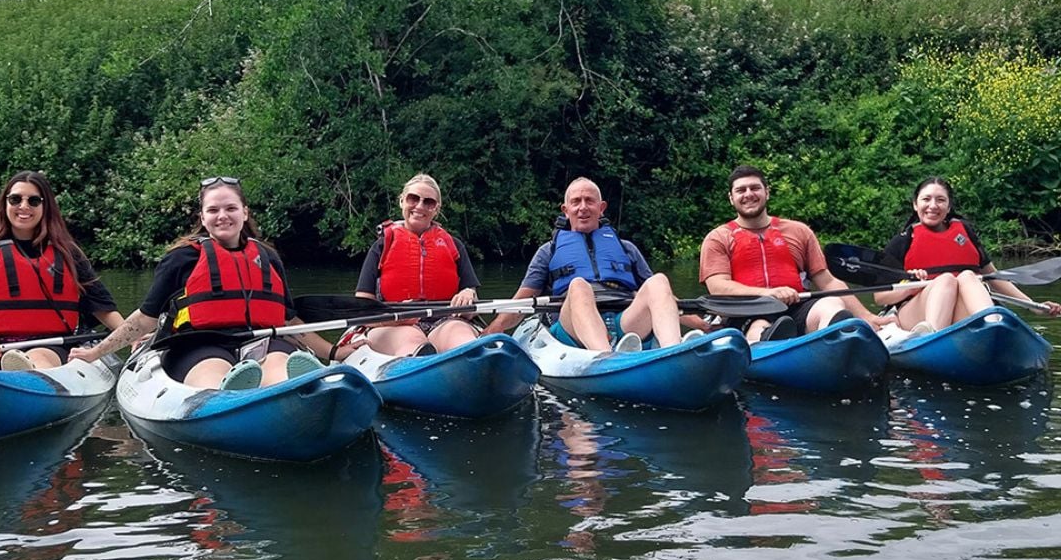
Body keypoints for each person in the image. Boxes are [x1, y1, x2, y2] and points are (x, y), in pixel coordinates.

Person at [70, 177, 361, 389]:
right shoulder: (182, 258)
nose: (223, 216)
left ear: (245, 213)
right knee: (212, 373)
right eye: (213, 210)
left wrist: (333, 353)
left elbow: (288, 320)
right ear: (203, 218)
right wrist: (96, 353)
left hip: (261, 340)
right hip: (199, 344)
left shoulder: (267, 257)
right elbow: (145, 318)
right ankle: (228, 394)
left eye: (231, 208)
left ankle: (290, 388)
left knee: (279, 366)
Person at [483, 177, 707, 350]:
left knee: (658, 281)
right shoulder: (548, 251)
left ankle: (673, 351)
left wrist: (703, 325)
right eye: (576, 202)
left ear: (601, 208)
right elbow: (521, 302)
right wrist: (490, 332)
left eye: (589, 201)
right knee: (579, 285)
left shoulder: (626, 248)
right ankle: (605, 357)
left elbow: (663, 299)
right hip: (573, 328)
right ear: (566, 209)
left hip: (624, 321)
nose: (583, 207)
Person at [0, 170, 124, 371]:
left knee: (37, 359)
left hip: (49, 344)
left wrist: (131, 334)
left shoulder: (67, 252)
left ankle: (25, 377)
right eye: (15, 199)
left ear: (45, 206)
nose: (23, 206)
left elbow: (99, 304)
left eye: (33, 201)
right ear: (5, 203)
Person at [699, 165, 890, 342]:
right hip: (747, 311)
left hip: (798, 307)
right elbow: (718, 287)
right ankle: (769, 342)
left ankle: (838, 342)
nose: (749, 194)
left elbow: (827, 281)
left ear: (767, 192)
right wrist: (768, 293)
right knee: (760, 327)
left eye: (755, 188)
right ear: (731, 198)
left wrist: (866, 316)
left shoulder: (798, 231)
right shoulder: (718, 237)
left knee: (831, 304)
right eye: (741, 190)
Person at [875, 176, 1060, 331]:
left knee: (969, 276)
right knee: (946, 279)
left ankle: (992, 326)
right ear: (915, 205)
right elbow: (879, 297)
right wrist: (910, 286)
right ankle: (932, 335)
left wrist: (1035, 306)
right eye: (926, 199)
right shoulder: (902, 241)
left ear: (948, 207)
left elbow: (994, 278)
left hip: (960, 312)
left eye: (940, 200)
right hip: (915, 313)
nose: (933, 205)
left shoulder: (965, 233)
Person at [354, 173, 482, 356]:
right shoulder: (382, 246)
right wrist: (391, 320)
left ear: (436, 209)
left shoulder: (454, 245)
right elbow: (361, 307)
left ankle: (469, 364)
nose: (420, 206)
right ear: (402, 201)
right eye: (413, 198)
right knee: (414, 344)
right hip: (395, 322)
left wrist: (468, 294)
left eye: (428, 202)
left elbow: (471, 303)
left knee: (463, 339)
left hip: (444, 321)